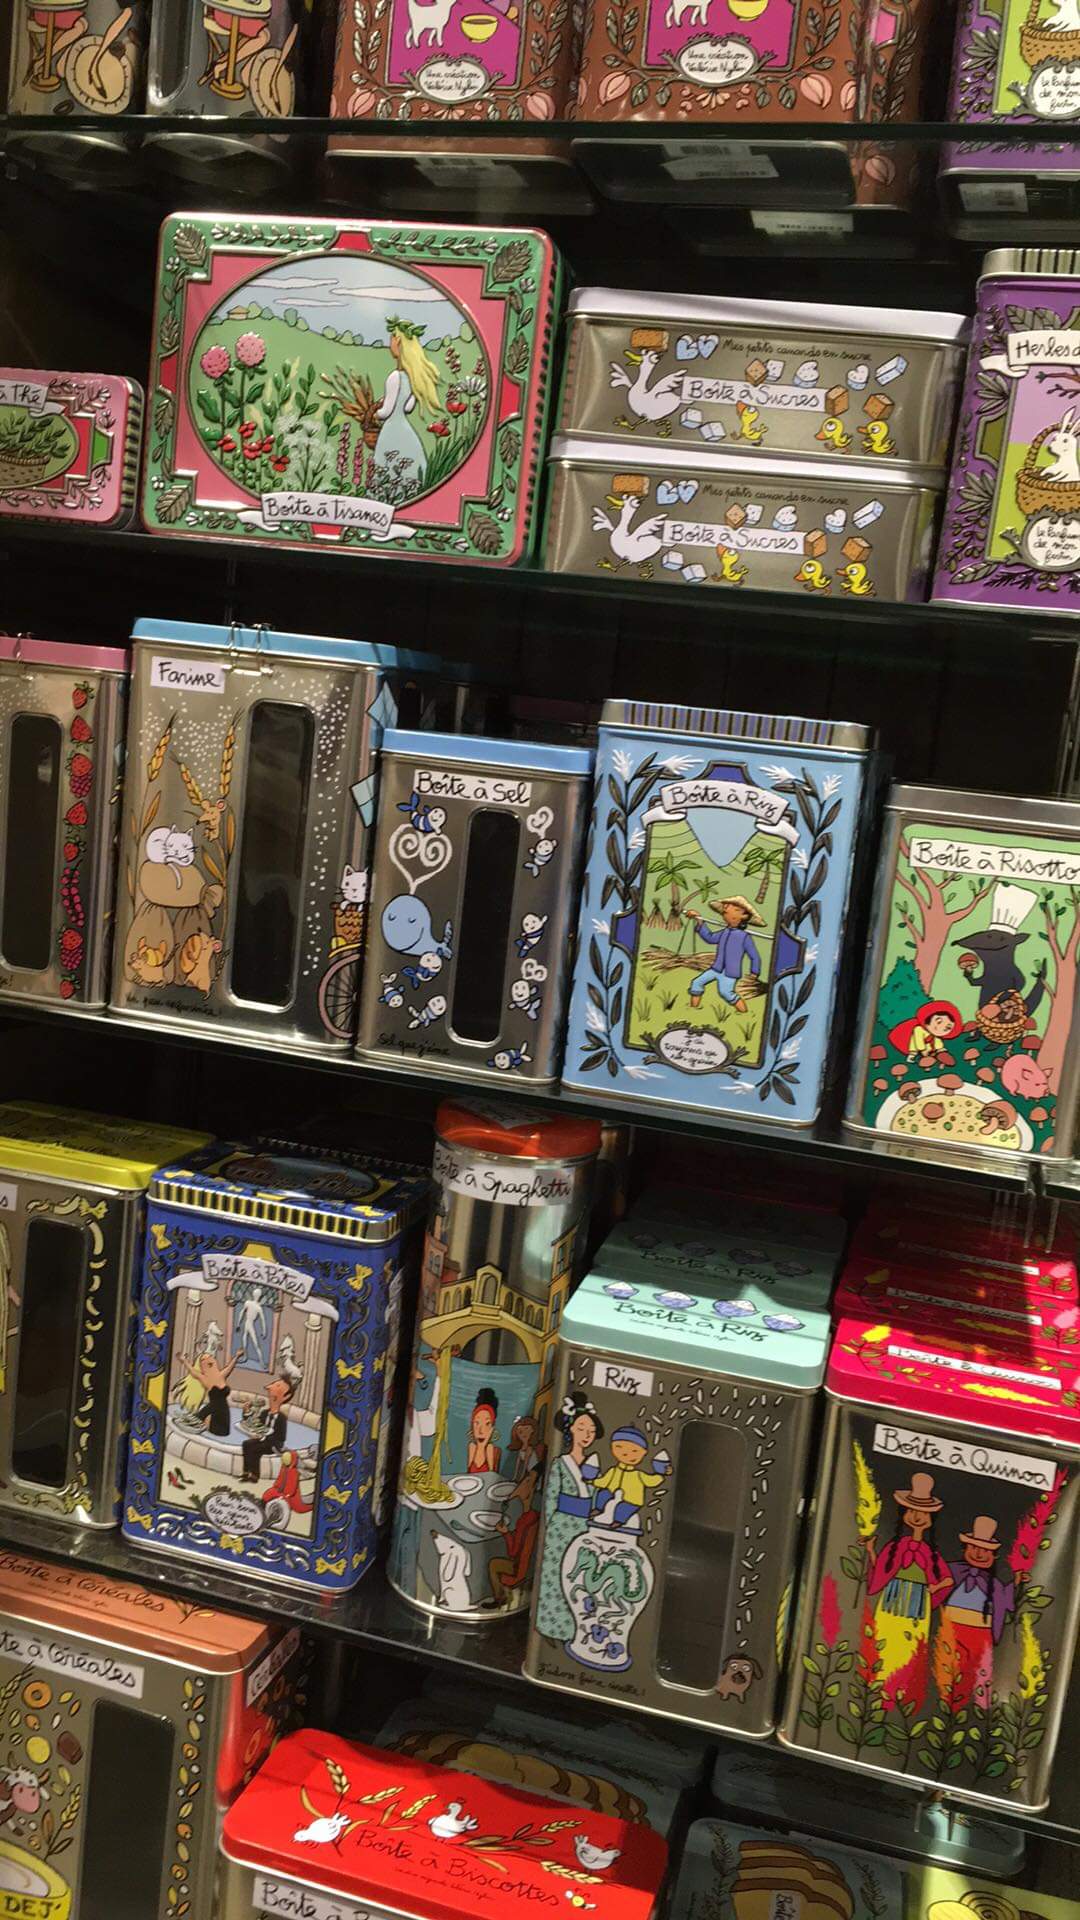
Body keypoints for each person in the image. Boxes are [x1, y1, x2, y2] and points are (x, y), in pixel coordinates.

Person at [866, 1471, 952, 1709]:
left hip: (917, 1602)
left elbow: (947, 1580)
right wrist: (871, 1551)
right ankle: (878, 1687)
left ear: (930, 1519)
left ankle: (901, 1691)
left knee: (911, 1643)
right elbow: (880, 1572)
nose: (917, 1517)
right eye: (912, 1511)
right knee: (885, 1636)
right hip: (892, 1597)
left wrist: (934, 1587)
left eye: (922, 1513)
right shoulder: (896, 1546)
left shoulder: (929, 1553)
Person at [534, 1393, 602, 1643]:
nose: (586, 1434)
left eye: (591, 1430)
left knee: (579, 1578)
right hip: (561, 1526)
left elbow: (596, 1496)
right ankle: (550, 1626)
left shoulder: (593, 1464)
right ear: (570, 1429)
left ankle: (576, 1629)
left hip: (585, 1527)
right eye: (581, 1428)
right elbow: (551, 1497)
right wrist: (549, 1527)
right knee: (555, 1576)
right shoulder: (561, 1463)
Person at [937, 1515, 1014, 1711]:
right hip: (952, 1629)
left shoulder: (995, 1584)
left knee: (980, 1670)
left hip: (981, 1633)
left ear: (994, 1556)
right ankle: (948, 1706)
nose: (979, 1554)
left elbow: (1008, 1601)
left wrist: (1019, 1581)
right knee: (951, 1668)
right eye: (974, 1548)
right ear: (965, 1549)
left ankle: (978, 1709)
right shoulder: (952, 1571)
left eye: (986, 1550)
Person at [373, 318, 441, 487]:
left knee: (387, 463)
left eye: (391, 340)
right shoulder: (412, 377)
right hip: (405, 429)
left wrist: (374, 414)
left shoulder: (395, 377)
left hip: (391, 429)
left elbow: (387, 411)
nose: (389, 345)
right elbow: (408, 407)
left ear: (398, 342)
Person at [684, 895, 765, 1012]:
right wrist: (699, 921)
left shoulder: (744, 937)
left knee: (726, 993)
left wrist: (754, 972)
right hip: (716, 968)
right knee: (697, 983)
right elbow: (710, 938)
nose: (726, 908)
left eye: (735, 908)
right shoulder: (724, 932)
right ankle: (693, 1008)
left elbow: (754, 956)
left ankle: (744, 1012)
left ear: (744, 916)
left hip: (730, 973)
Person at [591, 1426, 671, 1531]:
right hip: (612, 1491)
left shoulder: (638, 1475)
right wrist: (592, 1481)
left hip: (632, 1500)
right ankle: (598, 1509)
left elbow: (651, 1481)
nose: (626, 1453)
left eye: (634, 1451)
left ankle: (618, 1521)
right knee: (603, 1494)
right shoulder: (614, 1470)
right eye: (619, 1447)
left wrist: (661, 1475)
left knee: (623, 1508)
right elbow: (604, 1481)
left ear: (643, 1453)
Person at [240, 1375, 292, 1483]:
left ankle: (254, 1475)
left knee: (256, 1449)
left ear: (285, 1397)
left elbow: (282, 1437)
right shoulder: (264, 1413)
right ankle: (246, 1472)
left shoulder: (281, 1418)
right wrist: (246, 1412)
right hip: (263, 1440)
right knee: (246, 1444)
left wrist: (266, 1435)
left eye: (278, 1386)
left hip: (274, 1444)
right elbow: (255, 1425)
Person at [888, 1001, 962, 1068]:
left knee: (933, 1053)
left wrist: (940, 1049)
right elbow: (918, 1040)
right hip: (915, 1046)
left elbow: (937, 1041)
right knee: (914, 1054)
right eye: (939, 1022)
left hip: (929, 1047)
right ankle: (912, 1057)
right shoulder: (919, 1029)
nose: (941, 1027)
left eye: (948, 1028)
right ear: (927, 1022)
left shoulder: (935, 1036)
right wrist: (922, 1049)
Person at [195, 1345, 242, 1438]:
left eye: (210, 1359)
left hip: (224, 1410)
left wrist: (237, 1356)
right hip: (214, 1409)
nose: (210, 1361)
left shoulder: (220, 1375)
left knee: (222, 1433)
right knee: (213, 1433)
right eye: (206, 1360)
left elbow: (230, 1367)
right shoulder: (205, 1379)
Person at [262, 1448, 313, 1517]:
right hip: (281, 1490)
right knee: (267, 1494)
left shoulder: (293, 1471)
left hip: (290, 1494)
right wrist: (276, 1487)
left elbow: (292, 1487)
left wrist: (286, 1495)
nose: (285, 1460)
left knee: (299, 1508)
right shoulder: (284, 1468)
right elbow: (279, 1480)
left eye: (287, 1459)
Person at [466, 1387, 501, 1474]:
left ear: (492, 1428)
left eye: (487, 1424)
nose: (481, 1430)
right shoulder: (472, 1447)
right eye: (477, 1423)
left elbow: (491, 1475)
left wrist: (483, 1445)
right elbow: (468, 1473)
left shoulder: (489, 1448)